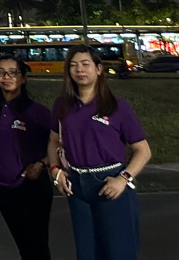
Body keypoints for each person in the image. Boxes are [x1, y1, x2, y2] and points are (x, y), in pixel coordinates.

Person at [47, 46, 151, 260]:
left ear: (99, 69)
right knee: (87, 253)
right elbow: (53, 140)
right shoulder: (63, 105)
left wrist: (123, 179)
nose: (79, 70)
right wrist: (56, 170)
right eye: (73, 66)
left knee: (119, 252)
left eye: (85, 64)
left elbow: (143, 150)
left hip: (109, 184)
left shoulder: (116, 107)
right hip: (77, 186)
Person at [0, 57, 52, 260]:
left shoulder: (38, 112)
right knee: (22, 244)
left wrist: (41, 164)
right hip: (2, 187)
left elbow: (58, 147)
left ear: (23, 78)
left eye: (12, 72)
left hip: (31, 186)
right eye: (1, 72)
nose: (6, 77)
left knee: (37, 246)